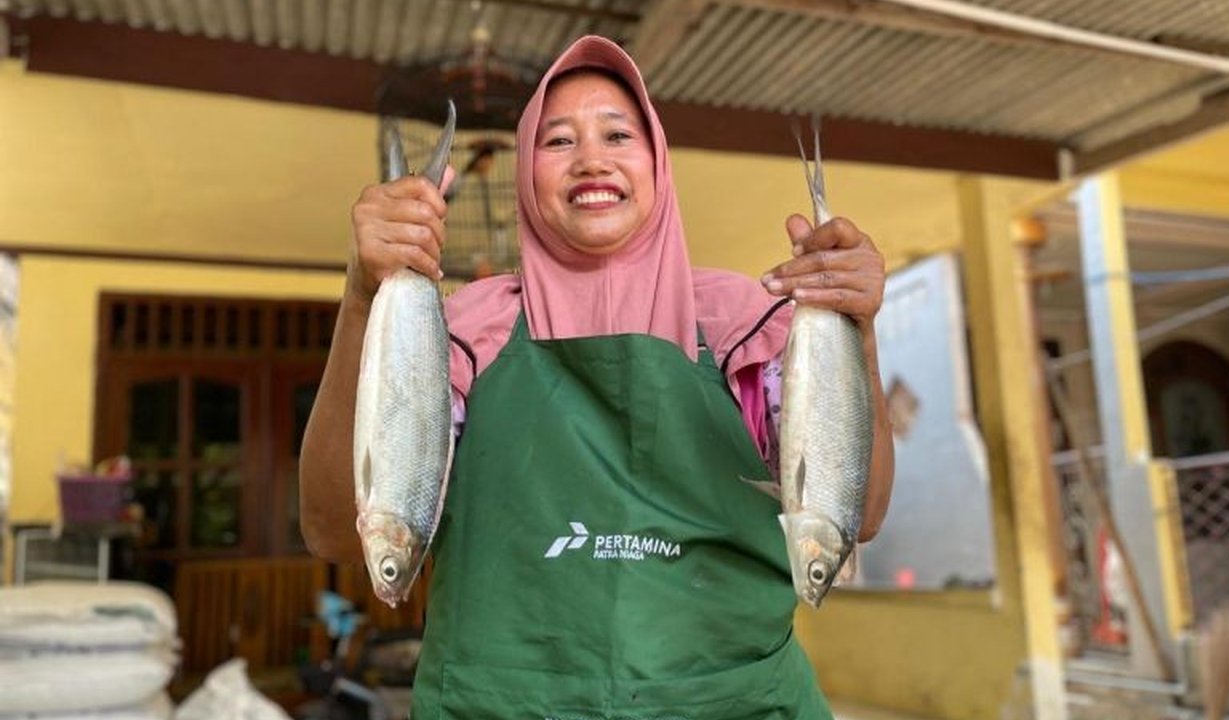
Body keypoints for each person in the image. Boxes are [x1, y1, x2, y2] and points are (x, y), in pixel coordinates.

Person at [300, 35, 894, 719]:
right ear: (524, 171)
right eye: (556, 142)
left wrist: (859, 329)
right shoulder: (465, 332)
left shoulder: (749, 326)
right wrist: (361, 298)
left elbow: (861, 513)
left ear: (657, 161)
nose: (590, 159)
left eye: (618, 133)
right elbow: (336, 535)